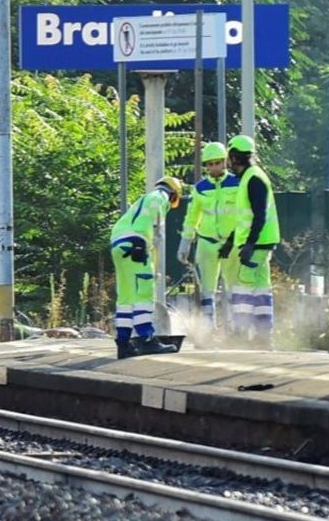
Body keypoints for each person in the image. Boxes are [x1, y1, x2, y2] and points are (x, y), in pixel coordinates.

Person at [110, 177, 184, 359]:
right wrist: (139, 244)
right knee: (144, 294)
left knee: (126, 297)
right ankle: (147, 339)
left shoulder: (142, 199)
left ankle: (123, 343)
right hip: (136, 244)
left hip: (118, 245)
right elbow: (146, 219)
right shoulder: (158, 197)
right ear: (173, 194)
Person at [221, 135, 280, 341]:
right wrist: (231, 240)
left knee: (243, 286)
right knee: (262, 288)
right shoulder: (251, 176)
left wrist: (250, 244)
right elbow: (245, 218)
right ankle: (264, 335)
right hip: (261, 242)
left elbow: (259, 214)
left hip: (256, 243)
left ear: (235, 158)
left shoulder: (253, 178)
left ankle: (241, 333)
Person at [178, 142, 240, 331]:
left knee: (234, 288)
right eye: (210, 164)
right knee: (207, 290)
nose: (213, 167)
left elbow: (245, 214)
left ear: (225, 162)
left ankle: (235, 330)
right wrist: (185, 243)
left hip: (232, 243)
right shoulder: (200, 188)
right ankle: (208, 330)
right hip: (207, 242)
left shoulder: (237, 184)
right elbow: (192, 217)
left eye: (217, 163)